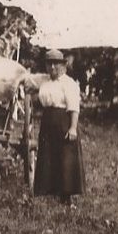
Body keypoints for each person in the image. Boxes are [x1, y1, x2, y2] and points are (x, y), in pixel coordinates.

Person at [33, 49, 85, 207]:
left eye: (56, 64)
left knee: (65, 157)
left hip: (64, 120)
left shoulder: (69, 83)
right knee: (49, 155)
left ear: (63, 66)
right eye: (49, 64)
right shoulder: (46, 83)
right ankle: (51, 190)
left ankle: (66, 196)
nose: (53, 67)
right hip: (48, 121)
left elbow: (74, 107)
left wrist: (73, 128)